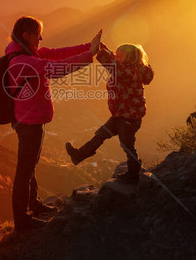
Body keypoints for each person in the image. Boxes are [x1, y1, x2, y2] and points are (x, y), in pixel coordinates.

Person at [5, 16, 102, 232]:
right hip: (28, 124)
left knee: (30, 165)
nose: (41, 38)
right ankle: (22, 221)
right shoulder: (23, 61)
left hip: (29, 121)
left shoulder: (28, 53)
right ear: (25, 36)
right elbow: (57, 68)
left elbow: (57, 53)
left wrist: (89, 47)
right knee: (24, 170)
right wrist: (89, 55)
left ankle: (34, 205)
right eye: (37, 34)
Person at [66, 42, 154, 183]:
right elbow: (113, 60)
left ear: (129, 58)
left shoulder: (129, 72)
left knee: (127, 145)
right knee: (101, 134)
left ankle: (133, 172)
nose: (116, 57)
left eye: (119, 56)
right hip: (121, 115)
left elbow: (113, 65)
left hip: (128, 118)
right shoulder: (128, 68)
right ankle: (79, 155)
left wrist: (100, 53)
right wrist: (103, 48)